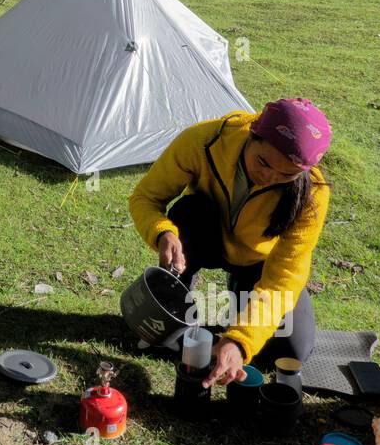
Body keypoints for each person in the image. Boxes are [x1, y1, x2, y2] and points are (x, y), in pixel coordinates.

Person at [128, 98, 332, 389]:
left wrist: (240, 341)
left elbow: (284, 279)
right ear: (252, 134)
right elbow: (145, 198)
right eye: (263, 162)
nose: (269, 177)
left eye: (287, 175)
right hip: (204, 238)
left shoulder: (313, 192)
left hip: (260, 263)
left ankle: (241, 293)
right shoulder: (203, 141)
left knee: (291, 353)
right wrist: (163, 233)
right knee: (189, 212)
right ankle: (175, 298)